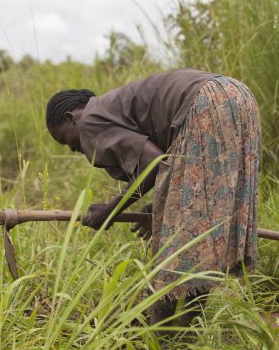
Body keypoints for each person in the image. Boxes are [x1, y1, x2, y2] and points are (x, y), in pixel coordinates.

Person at [45, 68, 261, 327]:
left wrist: (110, 211)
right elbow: (169, 167)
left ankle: (163, 334)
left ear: (71, 119)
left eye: (66, 142)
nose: (74, 148)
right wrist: (159, 205)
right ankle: (185, 332)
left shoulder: (90, 119)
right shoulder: (111, 109)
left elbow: (152, 162)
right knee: (202, 230)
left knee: (179, 242)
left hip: (205, 102)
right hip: (238, 96)